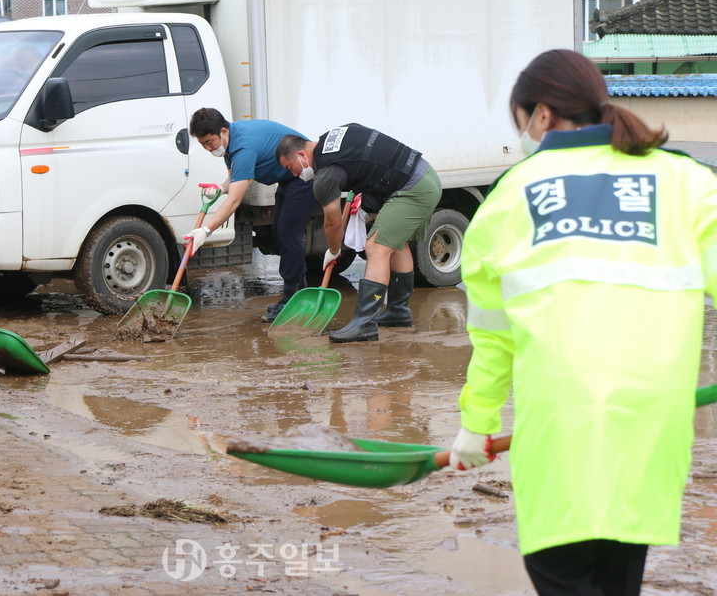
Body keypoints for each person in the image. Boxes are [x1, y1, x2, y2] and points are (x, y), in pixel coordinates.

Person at [448, 49, 717, 595]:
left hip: (559, 430)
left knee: (562, 574)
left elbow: (494, 336)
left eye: (520, 122)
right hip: (649, 429)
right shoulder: (685, 181)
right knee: (618, 579)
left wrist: (476, 423)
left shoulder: (509, 198)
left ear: (542, 114)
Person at [276, 125, 441, 342]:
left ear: (301, 155)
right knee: (397, 244)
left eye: (291, 168)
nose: (295, 174)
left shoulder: (325, 176)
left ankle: (364, 324)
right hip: (425, 175)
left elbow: (333, 223)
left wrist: (333, 250)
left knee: (377, 247)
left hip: (413, 187)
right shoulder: (332, 138)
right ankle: (398, 312)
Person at [187, 108, 318, 322]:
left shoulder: (243, 147)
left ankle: (289, 299)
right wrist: (220, 188)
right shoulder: (231, 142)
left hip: (304, 173)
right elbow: (235, 178)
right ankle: (300, 295)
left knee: (288, 233)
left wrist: (206, 230)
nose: (208, 148)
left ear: (223, 131)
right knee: (280, 231)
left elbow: (235, 200)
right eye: (203, 145)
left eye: (209, 142)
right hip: (288, 178)